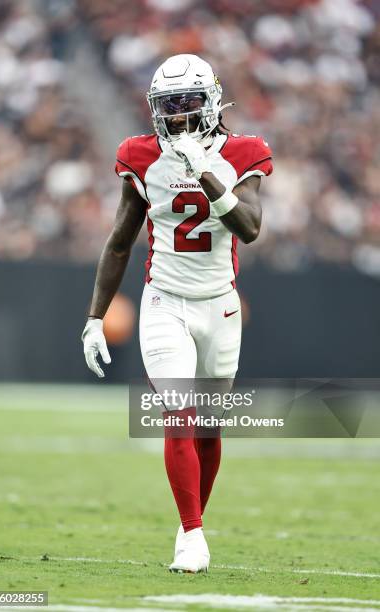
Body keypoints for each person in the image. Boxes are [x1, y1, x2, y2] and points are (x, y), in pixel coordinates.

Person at [81, 54, 273, 573]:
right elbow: (120, 241)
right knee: (179, 414)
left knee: (209, 427)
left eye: (188, 105)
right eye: (169, 107)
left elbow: (250, 228)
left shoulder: (243, 152)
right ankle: (192, 535)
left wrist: (206, 173)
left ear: (211, 102)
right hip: (164, 300)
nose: (178, 118)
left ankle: (191, 521)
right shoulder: (140, 157)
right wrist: (96, 317)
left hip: (220, 303)